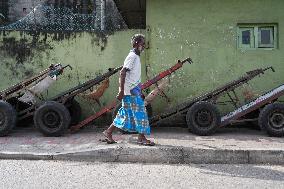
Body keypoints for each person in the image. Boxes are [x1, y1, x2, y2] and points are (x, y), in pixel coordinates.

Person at [102, 34, 155, 146]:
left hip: (132, 90)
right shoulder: (132, 56)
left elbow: (132, 76)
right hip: (130, 91)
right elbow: (122, 72)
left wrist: (138, 90)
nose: (144, 45)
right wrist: (121, 91)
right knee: (141, 113)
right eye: (142, 43)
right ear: (136, 43)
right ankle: (141, 138)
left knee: (125, 113)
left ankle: (108, 132)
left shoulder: (136, 57)